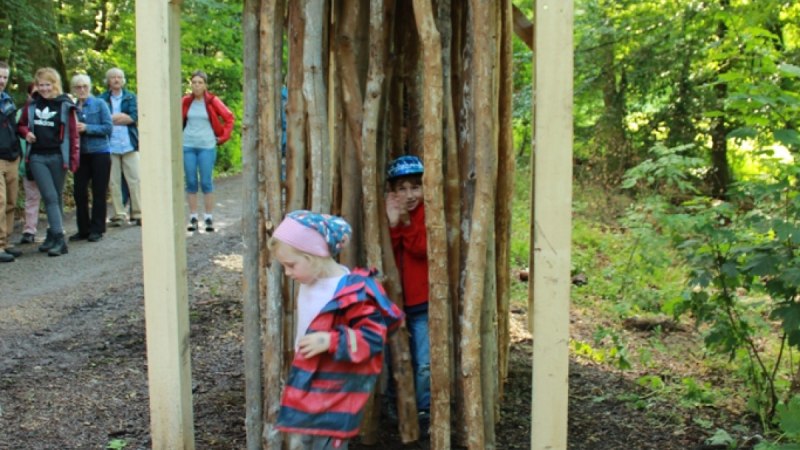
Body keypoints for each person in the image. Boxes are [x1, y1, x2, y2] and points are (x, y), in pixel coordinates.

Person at [270, 210, 403, 449]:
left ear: (314, 256)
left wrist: (330, 341)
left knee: (325, 442)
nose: (288, 273)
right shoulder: (309, 280)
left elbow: (373, 336)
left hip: (334, 389)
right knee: (303, 440)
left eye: (291, 265)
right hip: (309, 380)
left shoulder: (350, 291)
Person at [384, 155, 431, 429]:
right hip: (393, 302)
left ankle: (424, 409)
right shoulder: (385, 212)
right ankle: (398, 404)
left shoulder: (428, 214)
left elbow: (420, 248)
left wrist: (404, 223)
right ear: (392, 191)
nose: (410, 194)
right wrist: (393, 224)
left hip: (423, 302)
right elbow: (384, 251)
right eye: (402, 188)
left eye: (415, 187)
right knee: (395, 358)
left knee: (424, 362)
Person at [17, 67, 79, 256]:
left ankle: (53, 234)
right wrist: (27, 133)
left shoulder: (65, 105)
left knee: (57, 196)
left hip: (58, 157)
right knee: (50, 197)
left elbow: (73, 133)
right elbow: (20, 125)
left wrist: (74, 159)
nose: (44, 89)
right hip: (37, 157)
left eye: (47, 85)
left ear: (55, 84)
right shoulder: (33, 105)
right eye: (41, 85)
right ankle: (61, 240)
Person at [181, 70, 234, 233]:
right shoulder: (184, 101)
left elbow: (229, 118)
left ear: (205, 85)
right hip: (188, 145)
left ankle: (209, 217)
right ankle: (193, 217)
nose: (197, 85)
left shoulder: (212, 101)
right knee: (190, 182)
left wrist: (223, 137)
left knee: (206, 181)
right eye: (194, 82)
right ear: (191, 84)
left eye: (200, 82)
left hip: (207, 146)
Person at [69, 74, 112, 243]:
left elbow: (108, 128)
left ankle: (97, 228)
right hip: (80, 154)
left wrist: (88, 128)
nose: (82, 90)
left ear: (90, 87)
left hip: (100, 152)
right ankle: (83, 228)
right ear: (73, 89)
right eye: (78, 87)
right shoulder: (71, 107)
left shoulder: (100, 104)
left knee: (99, 191)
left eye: (84, 86)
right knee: (79, 192)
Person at [100, 67, 141, 227]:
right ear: (108, 81)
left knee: (135, 179)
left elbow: (133, 117)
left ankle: (138, 213)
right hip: (110, 145)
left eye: (119, 77)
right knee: (113, 181)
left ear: (123, 80)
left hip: (130, 144)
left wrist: (113, 119)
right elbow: (102, 120)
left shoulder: (131, 97)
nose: (117, 80)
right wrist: (120, 117)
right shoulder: (102, 99)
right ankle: (119, 214)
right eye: (113, 77)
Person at [0, 61, 22, 262]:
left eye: (5, 77)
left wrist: (18, 153)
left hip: (12, 156)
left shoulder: (8, 100)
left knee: (11, 202)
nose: (1, 81)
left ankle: (6, 242)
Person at [17, 83, 42, 246]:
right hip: (27, 160)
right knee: (31, 197)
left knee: (53, 196)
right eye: (34, 94)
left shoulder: (53, 109)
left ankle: (56, 228)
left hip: (48, 159)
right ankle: (29, 230)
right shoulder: (20, 113)